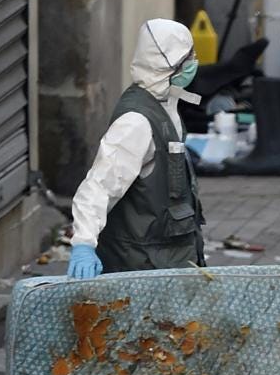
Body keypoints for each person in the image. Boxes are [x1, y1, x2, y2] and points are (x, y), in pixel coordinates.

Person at [68, 20, 205, 278]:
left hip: (168, 262)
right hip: (141, 267)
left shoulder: (164, 102)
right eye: (189, 57)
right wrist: (84, 243)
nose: (194, 62)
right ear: (169, 65)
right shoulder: (137, 122)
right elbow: (100, 185)